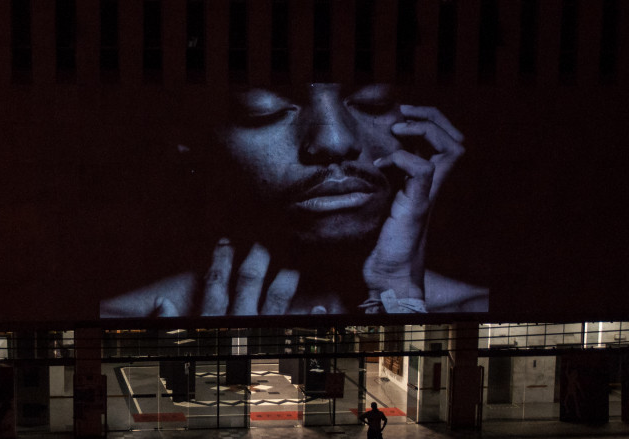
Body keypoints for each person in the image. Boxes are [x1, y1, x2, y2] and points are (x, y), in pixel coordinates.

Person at [101, 83, 489, 318]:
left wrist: (398, 292)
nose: (334, 141)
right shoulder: (112, 330)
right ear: (190, 134)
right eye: (263, 106)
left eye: (372, 99)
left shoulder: (486, 321)